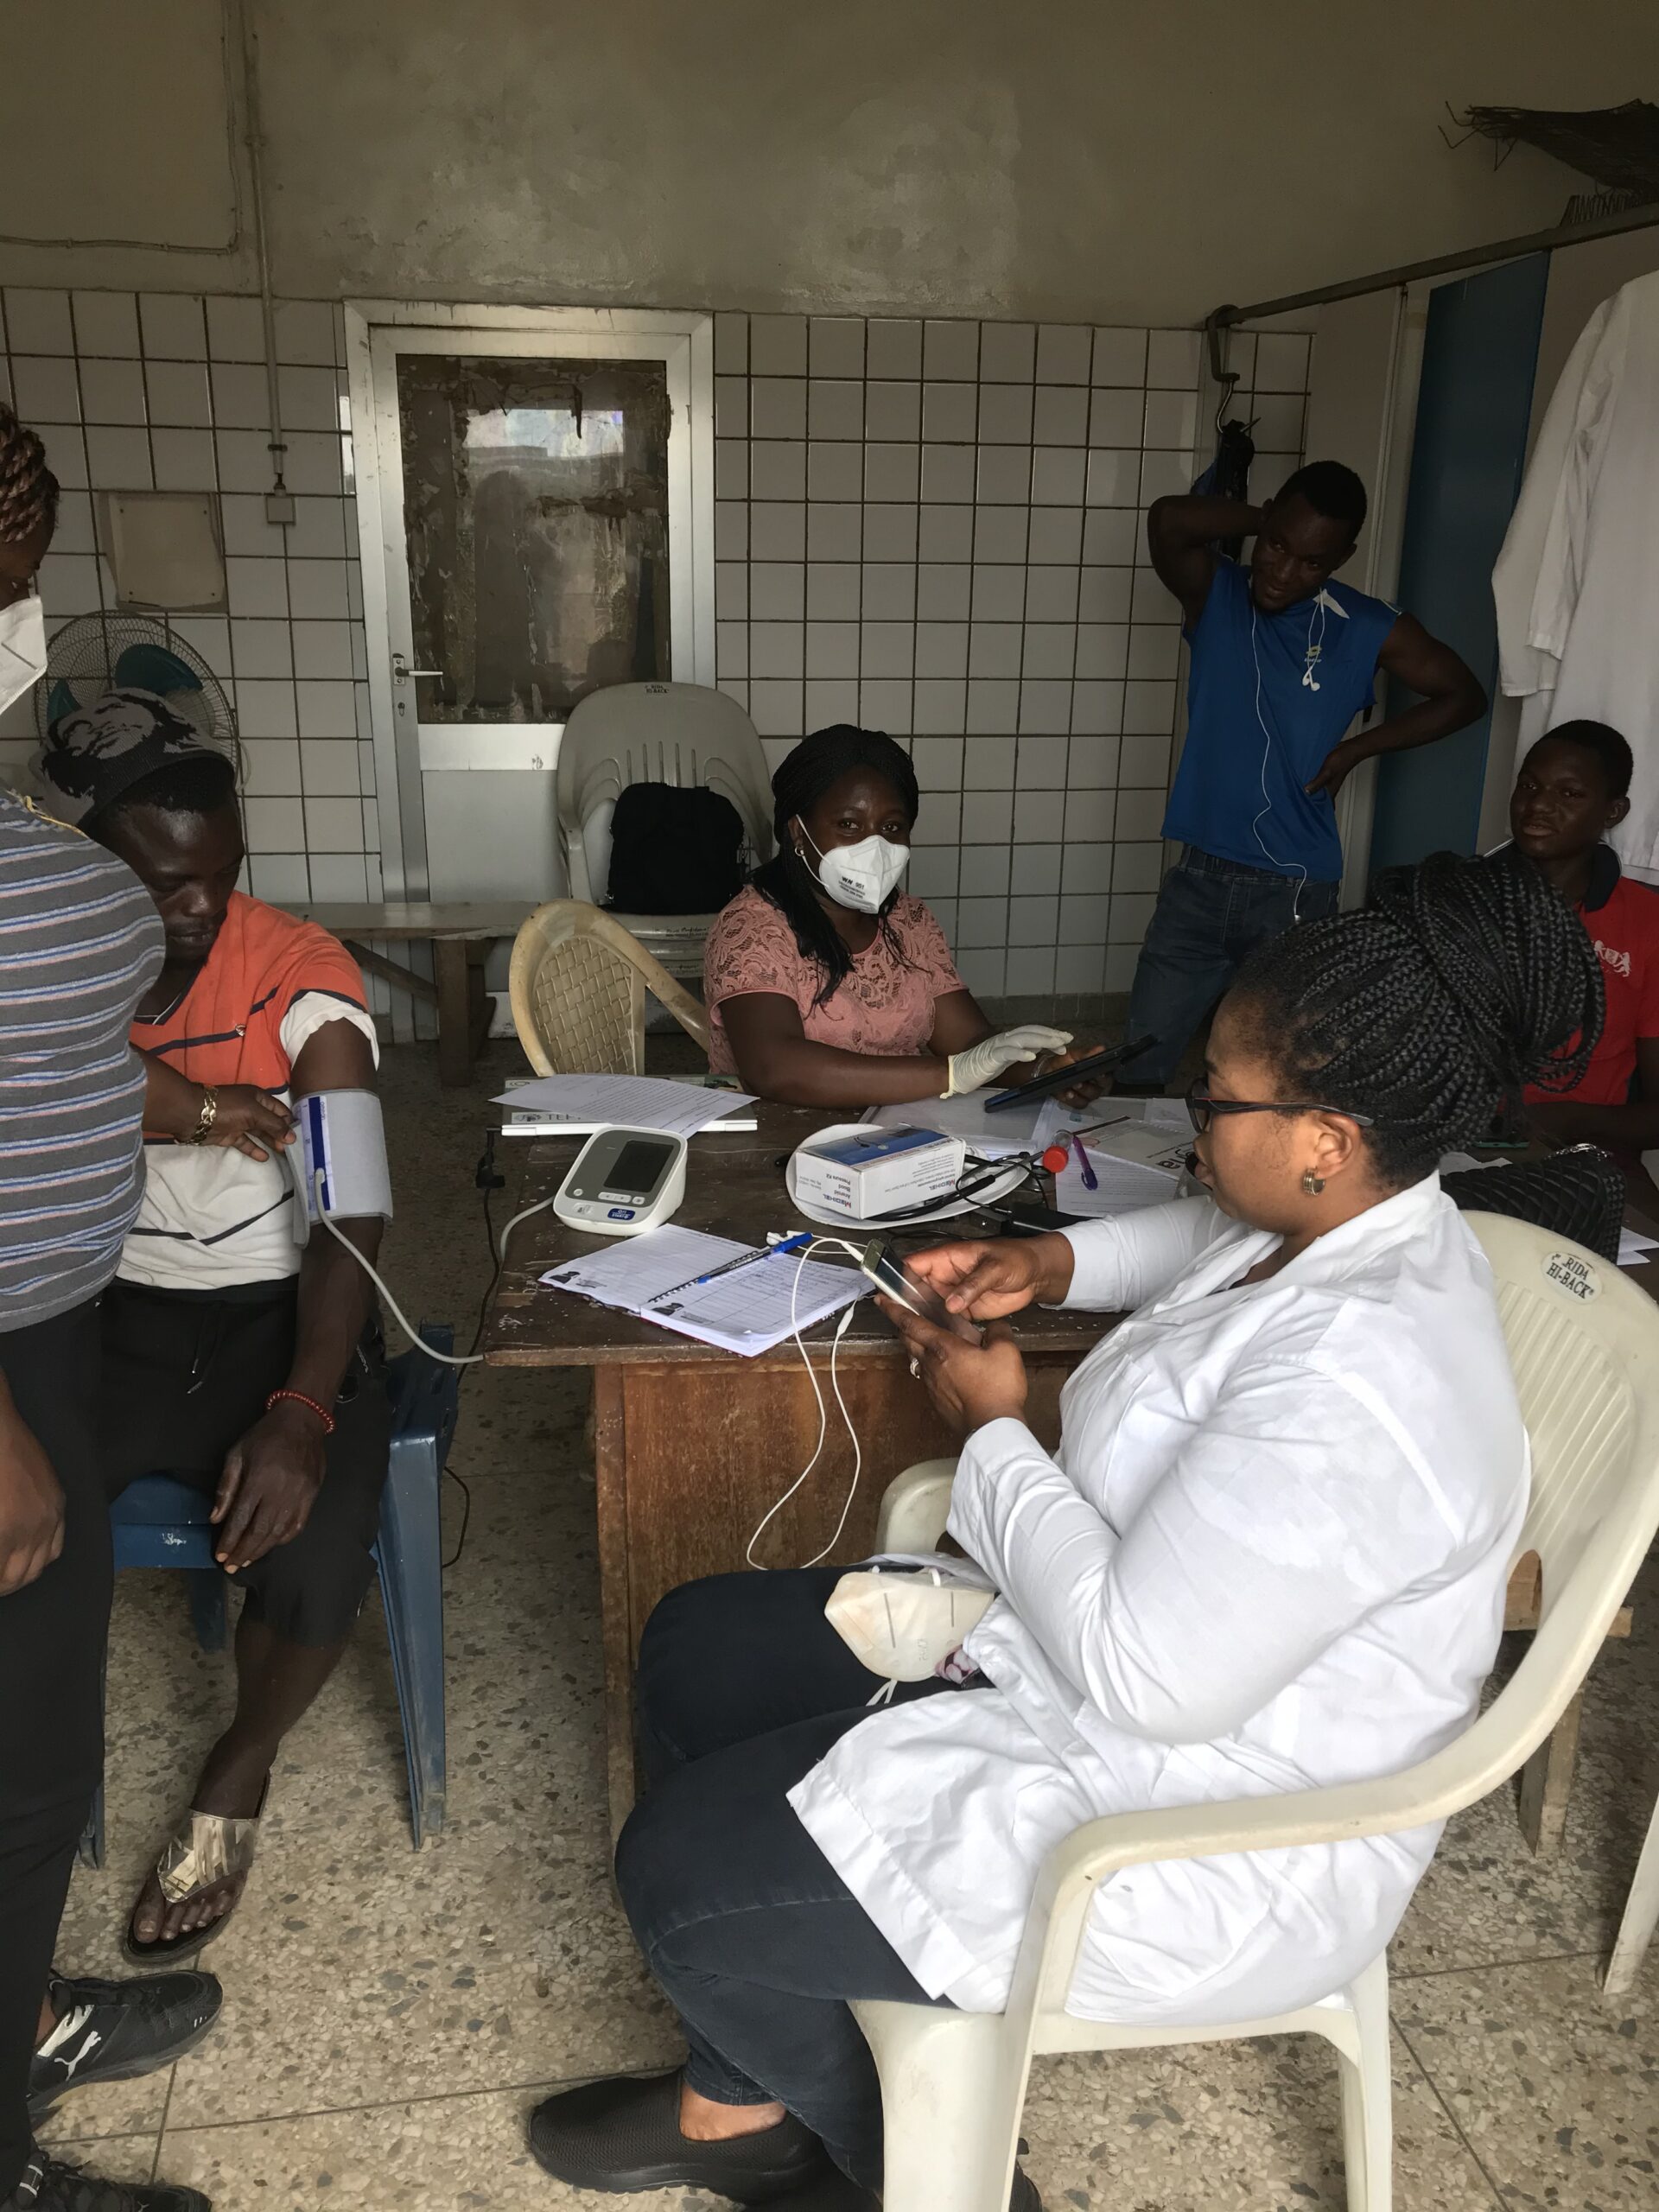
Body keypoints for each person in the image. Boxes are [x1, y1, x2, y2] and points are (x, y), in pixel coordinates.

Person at [524, 849, 1601, 2210]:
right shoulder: (1351, 1218)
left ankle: (912, 2170)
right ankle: (742, 2100)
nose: (1197, 1120)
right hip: (1091, 1661)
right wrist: (1049, 1262)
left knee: (681, 1879)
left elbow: (1144, 1677)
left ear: (1326, 1140)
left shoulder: (1362, 1384)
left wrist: (993, 1428)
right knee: (693, 1648)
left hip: (1212, 1822)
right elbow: (1211, 1245)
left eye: (1219, 1095)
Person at [35, 699, 392, 1969]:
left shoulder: (305, 983)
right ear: (79, 861)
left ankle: (238, 1770)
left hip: (279, 1308)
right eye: (164, 880)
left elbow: (352, 1214)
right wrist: (189, 1107)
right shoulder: (49, 959)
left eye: (220, 877)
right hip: (105, 1304)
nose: (198, 908)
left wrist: (303, 1408)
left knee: (319, 1527)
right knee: (35, 1514)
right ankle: (39, 1782)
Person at [1, 404, 228, 2212]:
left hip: (49, 1341)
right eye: (12, 574)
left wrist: (192, 1101)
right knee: (15, 1765)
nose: (28, 622)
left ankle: (20, 2009)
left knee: (31, 1755)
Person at [1117, 461, 1487, 1089]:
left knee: (1276, 1078)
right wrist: (1271, 518)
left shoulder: (1368, 626)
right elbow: (1169, 520)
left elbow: (1463, 695)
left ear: (1341, 559)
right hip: (1200, 877)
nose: (1283, 572)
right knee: (1137, 1063)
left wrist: (1355, 751)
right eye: (1277, 546)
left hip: (1294, 889)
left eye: (1312, 561)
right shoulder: (1217, 592)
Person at [704, 725, 1071, 1106]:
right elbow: (775, 1068)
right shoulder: (750, 927)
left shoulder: (908, 921)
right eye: (849, 825)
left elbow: (968, 1044)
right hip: (778, 1141)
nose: (874, 847)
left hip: (898, 1138)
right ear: (799, 833)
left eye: (891, 827)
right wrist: (951, 1074)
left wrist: (1045, 1071)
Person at [1507, 719, 1659, 1154]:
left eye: (1569, 794)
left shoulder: (1647, 924)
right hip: (1453, 1143)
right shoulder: (1460, 900)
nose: (1538, 807)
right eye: (1529, 787)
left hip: (1581, 1155)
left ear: (1614, 812)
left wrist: (1568, 1120)